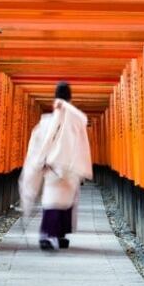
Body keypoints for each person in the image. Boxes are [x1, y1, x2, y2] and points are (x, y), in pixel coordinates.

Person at [18, 81, 93, 251]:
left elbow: (38, 144)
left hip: (52, 166)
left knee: (52, 202)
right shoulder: (77, 120)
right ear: (70, 97)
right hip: (70, 167)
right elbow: (81, 143)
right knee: (66, 203)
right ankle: (60, 235)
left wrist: (39, 161)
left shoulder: (46, 122)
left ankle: (47, 234)